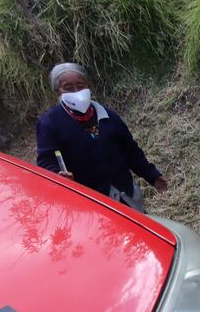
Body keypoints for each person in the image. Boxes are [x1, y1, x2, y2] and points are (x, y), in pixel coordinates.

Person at [36, 62, 168, 212]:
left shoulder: (108, 115)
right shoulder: (50, 122)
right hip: (90, 203)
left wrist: (152, 175)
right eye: (68, 88)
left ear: (88, 85)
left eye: (80, 85)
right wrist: (58, 175)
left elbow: (130, 150)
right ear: (57, 91)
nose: (76, 91)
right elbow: (45, 160)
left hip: (126, 193)